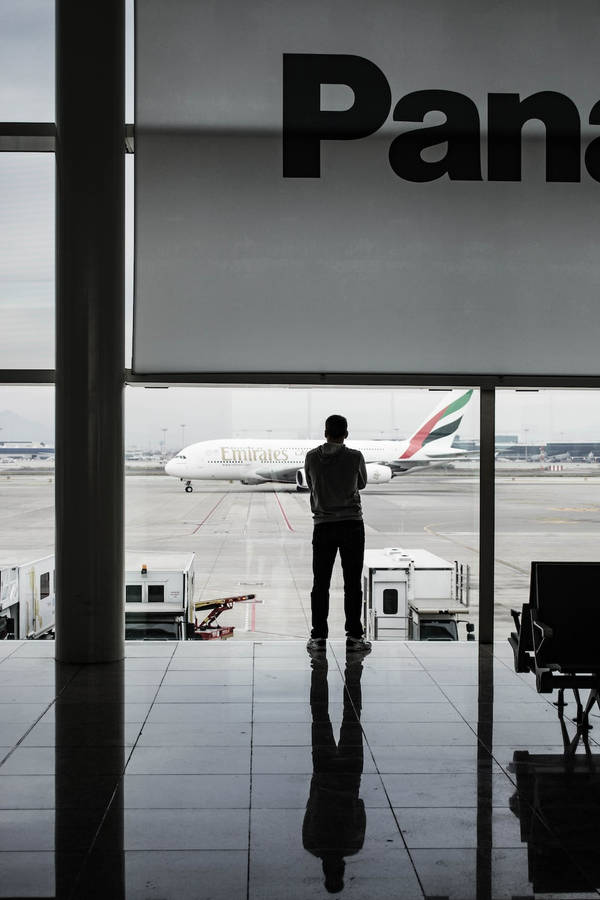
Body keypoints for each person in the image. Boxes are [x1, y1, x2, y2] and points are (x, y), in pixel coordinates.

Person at [304, 414, 371, 652]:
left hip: (323, 525)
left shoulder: (311, 457)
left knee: (320, 584)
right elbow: (361, 483)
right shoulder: (355, 457)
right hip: (352, 524)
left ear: (325, 433)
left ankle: (318, 637)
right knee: (352, 584)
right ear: (346, 434)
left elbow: (311, 484)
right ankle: (354, 636)